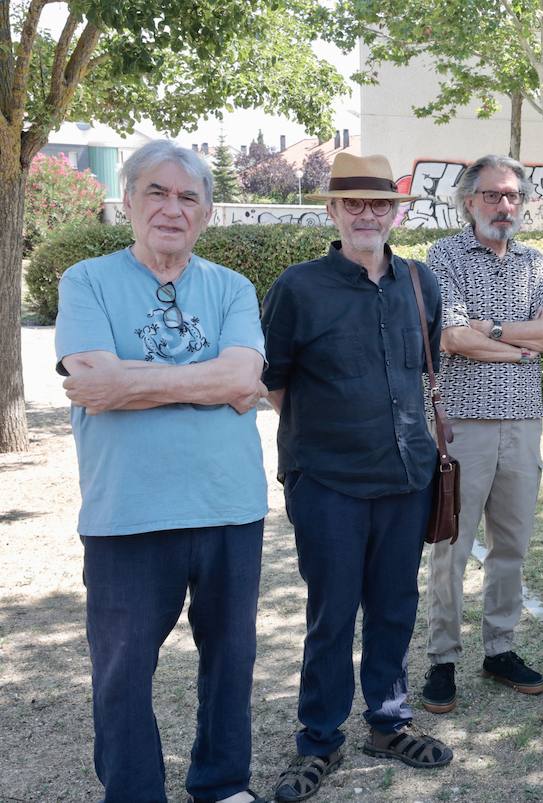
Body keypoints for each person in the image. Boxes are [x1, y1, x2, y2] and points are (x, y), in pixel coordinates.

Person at [56, 139, 269, 803]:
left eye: (188, 197)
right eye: (157, 192)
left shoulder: (232, 287)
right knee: (121, 672)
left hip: (229, 508)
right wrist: (207, 380)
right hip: (129, 513)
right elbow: (94, 387)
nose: (172, 209)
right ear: (128, 201)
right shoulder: (86, 281)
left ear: (206, 214)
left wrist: (131, 376)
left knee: (230, 662)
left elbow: (246, 377)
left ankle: (222, 783)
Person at [262, 153, 453, 802]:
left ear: (396, 212)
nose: (367, 214)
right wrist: (324, 442)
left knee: (396, 606)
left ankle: (389, 722)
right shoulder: (297, 287)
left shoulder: (421, 282)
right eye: (354, 203)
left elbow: (423, 370)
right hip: (328, 483)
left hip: (407, 477)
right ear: (332, 211)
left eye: (379, 203)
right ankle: (318, 740)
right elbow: (276, 382)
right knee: (332, 614)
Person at [418, 154, 543, 713]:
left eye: (512, 196)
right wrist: (515, 349)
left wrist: (494, 331)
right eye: (491, 196)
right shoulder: (444, 256)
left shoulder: (533, 263)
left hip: (523, 423)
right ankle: (443, 659)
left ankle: (499, 649)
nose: (504, 206)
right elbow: (453, 338)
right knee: (451, 548)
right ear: (467, 202)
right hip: (464, 424)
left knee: (512, 545)